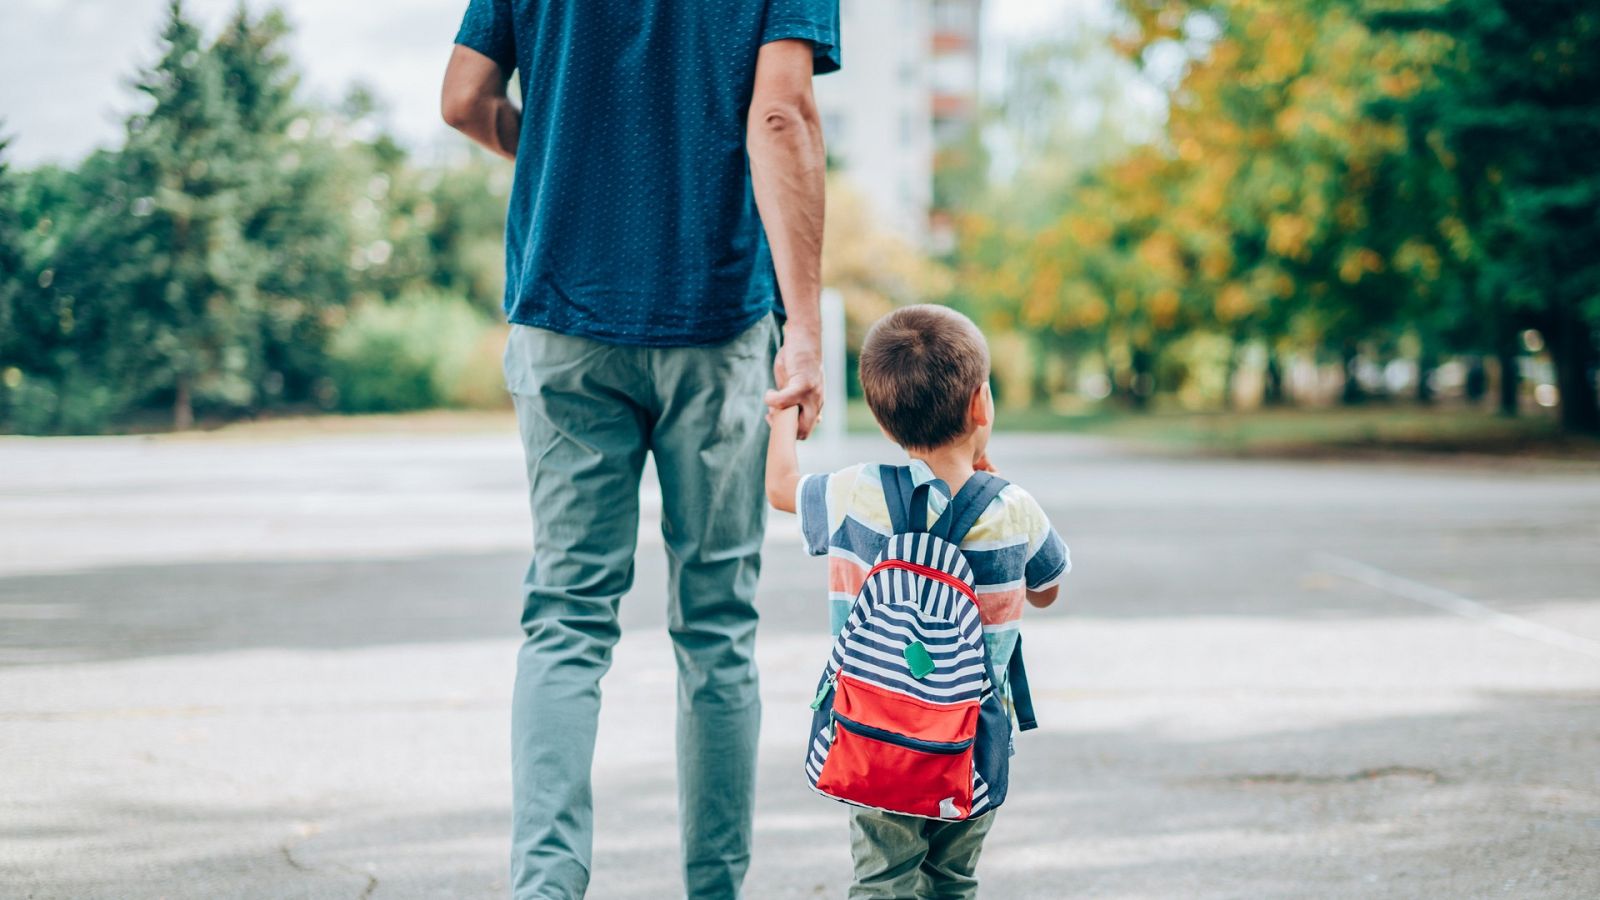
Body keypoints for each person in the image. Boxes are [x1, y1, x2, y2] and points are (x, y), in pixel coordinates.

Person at [439, 3, 840, 898]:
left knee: (567, 618)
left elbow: (466, 98)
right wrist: (804, 328)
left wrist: (553, 158)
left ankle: (545, 886)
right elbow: (780, 114)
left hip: (562, 310)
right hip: (716, 317)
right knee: (716, 627)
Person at [765, 304, 1070, 899]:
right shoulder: (1013, 508)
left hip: (873, 735)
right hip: (971, 744)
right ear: (981, 404)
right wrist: (993, 487)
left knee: (881, 882)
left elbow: (779, 488)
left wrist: (784, 412)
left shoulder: (855, 493)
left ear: (885, 424)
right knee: (952, 880)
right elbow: (1047, 589)